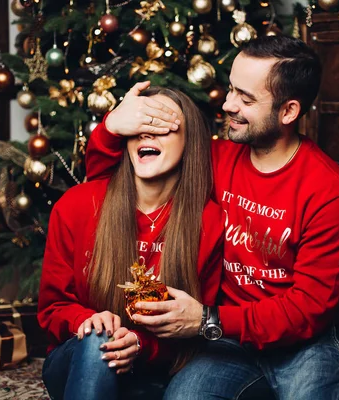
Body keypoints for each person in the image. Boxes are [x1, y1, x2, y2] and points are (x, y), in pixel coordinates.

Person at [85, 36, 339, 399]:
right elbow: (107, 186)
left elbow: (307, 312)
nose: (227, 104)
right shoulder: (214, 159)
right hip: (230, 333)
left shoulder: (331, 194)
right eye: (232, 89)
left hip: (317, 337)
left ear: (288, 112)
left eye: (246, 99)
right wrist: (112, 126)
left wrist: (205, 319)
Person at [37, 86, 224, 400]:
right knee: (99, 339)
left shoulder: (210, 221)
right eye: (139, 126)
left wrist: (139, 345)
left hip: (155, 373)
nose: (146, 135)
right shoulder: (78, 205)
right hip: (77, 362)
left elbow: (195, 329)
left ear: (189, 142)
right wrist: (85, 321)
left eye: (161, 127)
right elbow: (52, 309)